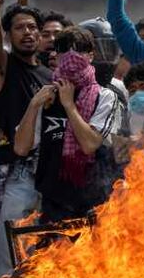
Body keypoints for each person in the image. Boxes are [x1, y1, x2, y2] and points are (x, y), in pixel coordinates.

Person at [14, 27, 118, 224]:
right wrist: (34, 105)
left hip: (94, 202)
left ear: (90, 55)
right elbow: (20, 147)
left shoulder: (104, 96)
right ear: (57, 55)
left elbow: (89, 144)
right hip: (53, 202)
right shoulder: (47, 96)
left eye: (78, 50)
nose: (71, 57)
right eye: (64, 50)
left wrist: (69, 106)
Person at [0, 0, 51, 278]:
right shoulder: (4, 70)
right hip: (16, 173)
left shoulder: (51, 76)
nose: (27, 32)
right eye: (20, 29)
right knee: (9, 260)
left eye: (33, 28)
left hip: (49, 176)